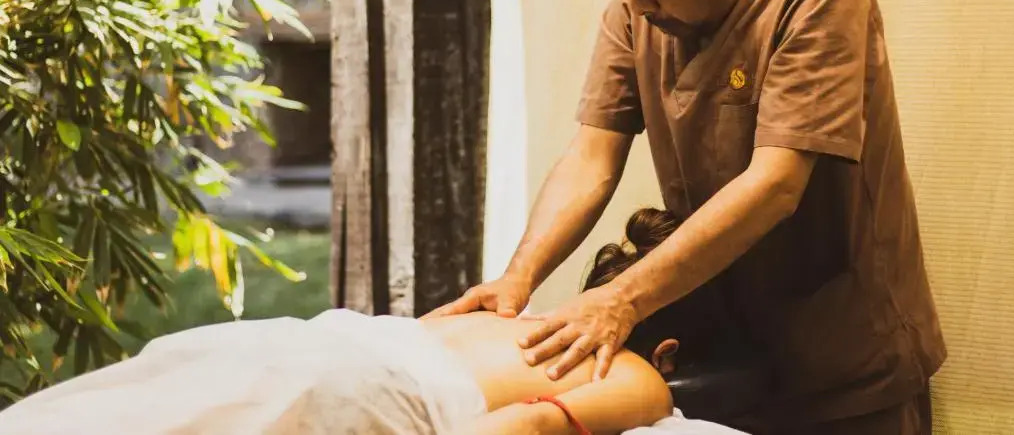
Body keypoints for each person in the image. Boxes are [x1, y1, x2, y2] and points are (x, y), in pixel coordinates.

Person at [427, 0, 946, 433]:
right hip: (729, 355)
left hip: (845, 357)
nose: (636, 0)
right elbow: (591, 158)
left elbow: (776, 184)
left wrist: (621, 300)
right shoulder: (639, 6)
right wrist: (517, 278)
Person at [0, 209, 744, 435]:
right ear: (669, 349)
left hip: (313, 339)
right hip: (363, 390)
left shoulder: (524, 321)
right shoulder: (641, 375)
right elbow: (531, 425)